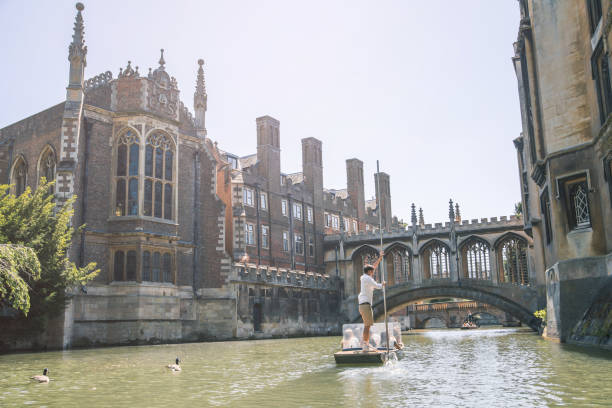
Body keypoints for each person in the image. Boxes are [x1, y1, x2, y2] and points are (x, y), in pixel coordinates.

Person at [358, 251, 385, 352]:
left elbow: (373, 267)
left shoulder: (364, 277)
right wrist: (383, 284)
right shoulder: (368, 279)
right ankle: (365, 344)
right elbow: (378, 286)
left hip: (363, 305)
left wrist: (380, 258)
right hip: (365, 305)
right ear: (369, 272)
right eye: (372, 272)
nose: (373, 273)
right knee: (367, 325)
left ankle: (365, 342)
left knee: (367, 325)